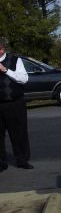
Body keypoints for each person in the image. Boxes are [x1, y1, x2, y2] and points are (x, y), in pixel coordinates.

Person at [0, 37, 33, 171]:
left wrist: (6, 70)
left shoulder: (15, 60)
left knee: (19, 133)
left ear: (2, 50)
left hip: (15, 103)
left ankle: (22, 160)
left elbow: (24, 79)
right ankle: (1, 163)